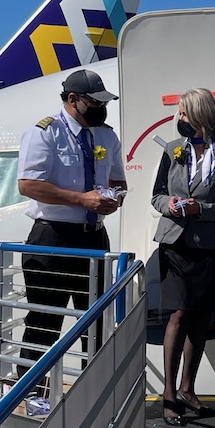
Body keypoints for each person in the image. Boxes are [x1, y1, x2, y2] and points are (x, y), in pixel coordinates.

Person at [15, 68, 127, 373]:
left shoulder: (106, 135)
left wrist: (114, 198)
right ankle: (32, 392)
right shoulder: (46, 132)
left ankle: (95, 383)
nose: (100, 110)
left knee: (95, 320)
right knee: (44, 320)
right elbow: (28, 184)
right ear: (73, 99)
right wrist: (81, 199)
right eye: (94, 103)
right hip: (53, 237)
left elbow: (117, 179)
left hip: (93, 235)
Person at [152, 88, 215, 425]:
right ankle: (169, 393)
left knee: (201, 318)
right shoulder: (173, 151)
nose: (180, 120)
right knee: (177, 313)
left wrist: (199, 208)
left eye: (185, 114)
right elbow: (157, 195)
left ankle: (188, 389)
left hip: (208, 243)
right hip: (174, 242)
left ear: (202, 117)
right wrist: (171, 205)